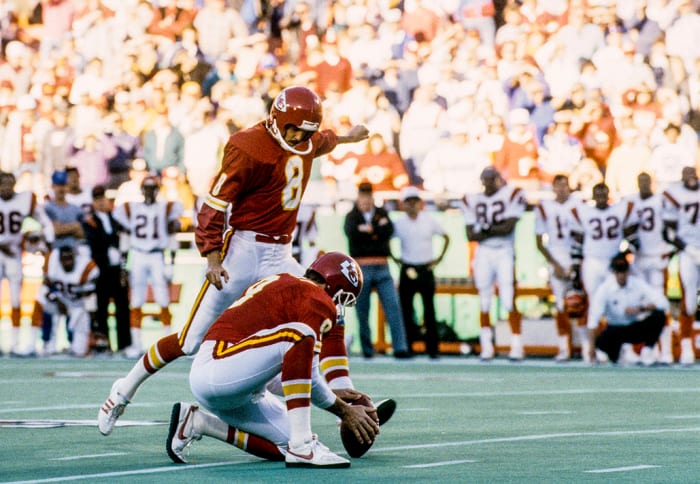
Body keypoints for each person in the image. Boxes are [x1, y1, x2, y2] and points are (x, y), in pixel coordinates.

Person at [98, 86, 369, 436]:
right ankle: (123, 390)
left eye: (307, 133)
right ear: (277, 120)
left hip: (280, 254)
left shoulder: (306, 140)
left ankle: (342, 387)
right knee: (190, 340)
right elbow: (214, 205)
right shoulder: (248, 146)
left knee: (326, 302)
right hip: (242, 250)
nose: (301, 138)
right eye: (296, 131)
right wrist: (212, 257)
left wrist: (348, 137)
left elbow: (324, 141)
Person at [166, 252, 378, 468]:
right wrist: (345, 410)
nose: (337, 307)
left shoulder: (288, 285)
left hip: (231, 377)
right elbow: (309, 373)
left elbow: (278, 374)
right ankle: (303, 447)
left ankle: (199, 423)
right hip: (218, 367)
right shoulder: (316, 297)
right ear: (332, 285)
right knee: (299, 335)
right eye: (342, 299)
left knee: (285, 445)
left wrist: (330, 395)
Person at [112, 174, 183, 358]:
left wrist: (171, 261)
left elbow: (173, 230)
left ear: (158, 190)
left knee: (163, 299)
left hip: (157, 255)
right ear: (142, 189)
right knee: (136, 299)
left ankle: (167, 344)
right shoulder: (130, 208)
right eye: (147, 188)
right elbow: (125, 236)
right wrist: (123, 266)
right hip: (138, 256)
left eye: (153, 188)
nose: (150, 192)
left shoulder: (166, 207)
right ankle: (136, 344)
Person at [463, 167, 527, 361]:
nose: (489, 183)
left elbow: (508, 227)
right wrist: (492, 230)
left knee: (508, 298)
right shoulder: (471, 199)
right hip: (484, 253)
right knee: (484, 299)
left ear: (499, 179)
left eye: (492, 179)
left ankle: (516, 345)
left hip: (504, 250)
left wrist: (484, 230)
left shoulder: (512, 193)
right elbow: (470, 235)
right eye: (486, 179)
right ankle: (486, 345)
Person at [570, 182, 639, 361]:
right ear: (593, 195)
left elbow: (633, 239)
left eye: (603, 193)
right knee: (593, 304)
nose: (601, 196)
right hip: (591, 262)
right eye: (597, 193)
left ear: (608, 194)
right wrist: (576, 270)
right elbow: (577, 243)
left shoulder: (619, 211)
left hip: (611, 264)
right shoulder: (584, 212)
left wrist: (623, 255)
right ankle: (589, 347)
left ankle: (623, 346)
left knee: (618, 303)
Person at [344, 182, 410, 359]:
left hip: (382, 265)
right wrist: (374, 233)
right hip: (362, 266)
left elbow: (387, 231)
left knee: (393, 305)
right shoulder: (352, 216)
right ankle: (367, 347)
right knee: (362, 309)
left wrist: (369, 233)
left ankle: (400, 346)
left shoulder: (381, 213)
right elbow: (353, 235)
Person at [391, 186, 450, 359]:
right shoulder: (399, 223)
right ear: (404, 204)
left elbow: (446, 237)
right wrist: (396, 259)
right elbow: (387, 239)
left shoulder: (428, 220)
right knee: (407, 310)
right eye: (408, 202)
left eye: (414, 201)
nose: (412, 205)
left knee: (429, 310)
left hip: (425, 268)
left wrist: (438, 259)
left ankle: (432, 348)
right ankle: (408, 346)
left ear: (419, 203)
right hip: (408, 266)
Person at [0, 171, 53, 355]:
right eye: (3, 184)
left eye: (9, 184)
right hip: (5, 252)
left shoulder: (25, 200)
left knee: (16, 299)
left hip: (14, 254)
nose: (6, 188)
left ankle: (14, 343)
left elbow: (44, 222)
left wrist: (38, 237)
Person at [626, 172, 674, 363]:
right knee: (639, 304)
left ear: (652, 183)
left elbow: (672, 227)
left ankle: (666, 350)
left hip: (656, 258)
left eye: (647, 181)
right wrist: (632, 242)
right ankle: (645, 349)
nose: (644, 185)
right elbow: (626, 228)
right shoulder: (631, 202)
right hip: (639, 259)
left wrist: (669, 250)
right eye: (641, 182)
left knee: (660, 304)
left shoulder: (661, 201)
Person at [586, 253, 668, 365]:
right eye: (618, 271)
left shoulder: (637, 284)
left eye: (623, 271)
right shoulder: (605, 289)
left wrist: (641, 309)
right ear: (613, 272)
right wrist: (591, 349)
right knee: (606, 352)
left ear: (628, 271)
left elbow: (663, 303)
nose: (621, 275)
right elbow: (593, 319)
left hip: (633, 327)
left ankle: (647, 352)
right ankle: (619, 353)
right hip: (614, 330)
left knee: (659, 316)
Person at [534, 174, 580, 361]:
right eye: (558, 185)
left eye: (565, 185)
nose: (562, 189)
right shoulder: (544, 207)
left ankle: (586, 348)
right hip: (556, 256)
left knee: (581, 302)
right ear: (553, 188)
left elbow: (583, 236)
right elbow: (539, 242)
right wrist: (556, 265)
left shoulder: (579, 205)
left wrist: (576, 262)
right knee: (561, 305)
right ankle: (564, 347)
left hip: (576, 256)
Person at [82, 184, 131, 353]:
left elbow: (125, 238)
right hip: (102, 268)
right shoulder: (90, 222)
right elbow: (95, 243)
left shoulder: (116, 219)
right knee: (101, 306)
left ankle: (125, 344)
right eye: (97, 199)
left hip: (117, 267)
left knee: (122, 306)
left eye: (102, 198)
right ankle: (104, 343)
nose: (101, 202)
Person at [31, 244, 100, 357]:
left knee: (79, 350)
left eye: (69, 258)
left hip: (78, 305)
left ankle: (76, 343)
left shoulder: (87, 268)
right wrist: (57, 300)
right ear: (59, 260)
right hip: (59, 299)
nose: (67, 262)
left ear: (75, 257)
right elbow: (44, 288)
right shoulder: (52, 265)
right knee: (41, 301)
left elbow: (90, 296)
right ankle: (47, 343)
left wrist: (92, 319)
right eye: (64, 259)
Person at [662, 166, 700, 365]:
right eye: (686, 175)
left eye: (693, 174)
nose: (691, 178)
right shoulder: (674, 194)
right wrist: (688, 249)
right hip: (688, 251)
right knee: (690, 298)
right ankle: (686, 345)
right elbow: (668, 232)